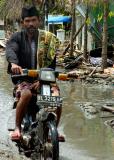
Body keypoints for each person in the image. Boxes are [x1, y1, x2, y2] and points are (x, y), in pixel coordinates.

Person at [6, 6, 65, 142]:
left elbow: (51, 63)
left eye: (33, 20)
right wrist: (14, 64)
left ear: (39, 21)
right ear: (22, 22)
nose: (30, 24)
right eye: (27, 21)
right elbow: (11, 50)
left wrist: (44, 80)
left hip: (44, 79)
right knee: (25, 94)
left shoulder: (48, 39)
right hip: (23, 79)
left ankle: (54, 129)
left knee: (57, 97)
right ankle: (17, 128)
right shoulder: (17, 37)